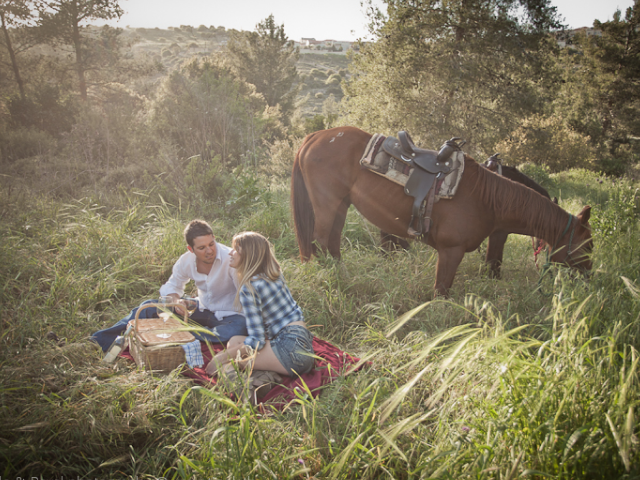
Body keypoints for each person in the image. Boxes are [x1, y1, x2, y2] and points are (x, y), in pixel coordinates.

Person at [91, 220, 248, 352]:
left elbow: (246, 296)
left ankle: (177, 334)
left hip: (229, 316)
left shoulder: (231, 260)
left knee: (238, 329)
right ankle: (99, 341)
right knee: (149, 306)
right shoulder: (186, 260)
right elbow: (173, 285)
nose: (209, 251)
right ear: (191, 249)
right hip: (200, 308)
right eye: (202, 248)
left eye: (211, 244)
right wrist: (176, 300)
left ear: (214, 238)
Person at [205, 231, 315, 378]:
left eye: (237, 250)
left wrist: (220, 358)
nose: (230, 253)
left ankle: (248, 393)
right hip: (303, 343)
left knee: (228, 365)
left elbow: (257, 341)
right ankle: (267, 373)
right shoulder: (274, 274)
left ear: (249, 256)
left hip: (288, 351)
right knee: (234, 341)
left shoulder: (249, 288)